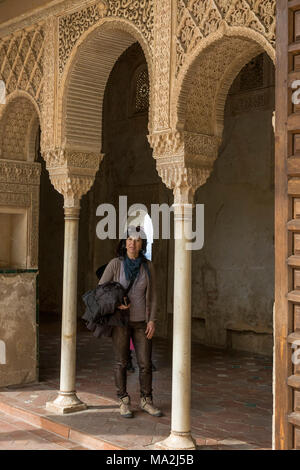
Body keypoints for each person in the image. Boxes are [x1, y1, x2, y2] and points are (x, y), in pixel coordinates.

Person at [98, 226, 162, 419]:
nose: (132, 243)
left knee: (145, 363)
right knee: (121, 362)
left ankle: (146, 400)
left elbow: (154, 296)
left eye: (137, 240)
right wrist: (117, 304)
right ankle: (124, 400)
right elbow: (101, 290)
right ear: (124, 242)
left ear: (142, 244)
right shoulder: (115, 264)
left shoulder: (147, 266)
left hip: (142, 322)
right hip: (121, 322)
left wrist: (152, 320)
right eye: (129, 239)